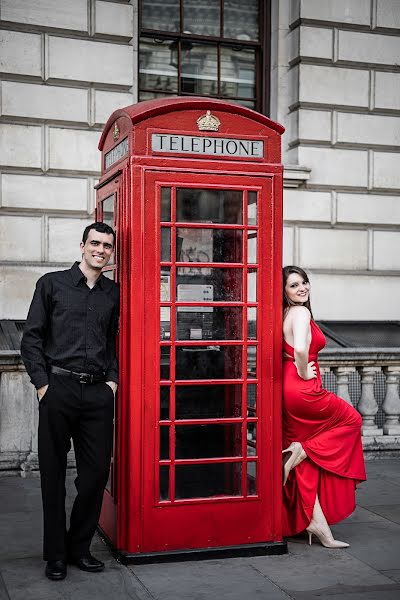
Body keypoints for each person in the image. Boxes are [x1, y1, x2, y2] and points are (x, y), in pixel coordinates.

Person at [21, 222, 119, 580]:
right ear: (82, 246)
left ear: (111, 252)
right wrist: (42, 384)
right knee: (53, 475)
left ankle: (79, 547)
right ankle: (56, 555)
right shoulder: (51, 284)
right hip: (57, 389)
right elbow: (31, 338)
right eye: (95, 243)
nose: (100, 250)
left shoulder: (113, 293)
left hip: (97, 393)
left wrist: (112, 381)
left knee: (95, 475)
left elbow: (113, 342)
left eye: (107, 246)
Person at [281, 265, 366, 548]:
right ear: (284, 291)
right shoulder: (301, 313)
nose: (302, 288)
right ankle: (302, 450)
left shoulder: (286, 314)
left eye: (304, 282)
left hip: (288, 391)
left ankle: (317, 525)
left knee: (303, 464)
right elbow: (302, 350)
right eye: (294, 285)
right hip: (303, 389)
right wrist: (304, 371)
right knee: (351, 420)